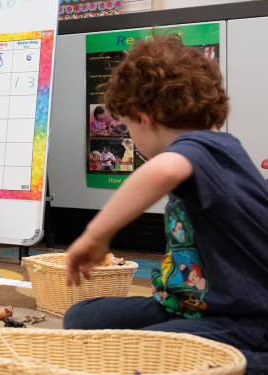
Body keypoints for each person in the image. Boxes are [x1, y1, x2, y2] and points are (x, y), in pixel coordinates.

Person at [62, 36, 268, 372]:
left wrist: (94, 236)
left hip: (244, 318)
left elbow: (163, 171)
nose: (132, 136)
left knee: (146, 358)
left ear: (146, 118)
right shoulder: (208, 149)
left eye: (127, 126)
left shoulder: (208, 148)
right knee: (81, 319)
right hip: (182, 303)